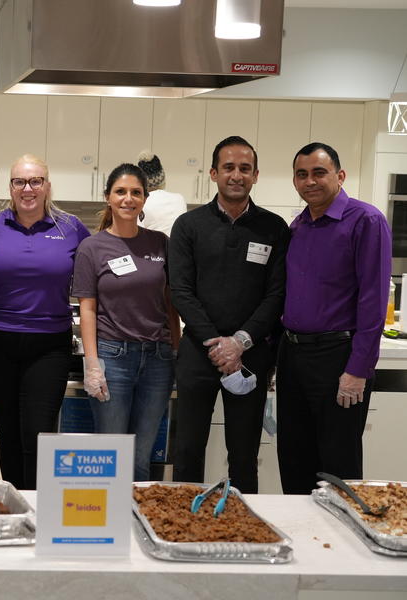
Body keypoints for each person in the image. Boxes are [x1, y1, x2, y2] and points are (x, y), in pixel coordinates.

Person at [168, 135, 290, 494]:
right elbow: (181, 292)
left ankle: (244, 525)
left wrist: (239, 342)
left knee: (243, 453)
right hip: (197, 352)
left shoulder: (274, 228)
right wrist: (216, 342)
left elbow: (277, 293)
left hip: (251, 355)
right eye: (228, 168)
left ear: (255, 175)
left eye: (244, 168)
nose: (236, 175)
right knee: (188, 449)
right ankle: (181, 524)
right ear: (213, 173)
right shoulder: (188, 227)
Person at [276, 142, 392, 495]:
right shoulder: (298, 227)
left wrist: (358, 370)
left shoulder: (366, 221)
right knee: (294, 459)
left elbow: (374, 301)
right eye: (302, 174)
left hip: (338, 358)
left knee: (337, 464)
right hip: (293, 356)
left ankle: (343, 547)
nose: (310, 181)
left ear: (340, 176)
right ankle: (305, 543)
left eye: (319, 172)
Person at [0, 154, 90, 490]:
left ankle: (38, 506)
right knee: (7, 431)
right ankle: (14, 505)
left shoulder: (70, 228)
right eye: (19, 182)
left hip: (49, 344)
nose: (28, 188)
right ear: (10, 187)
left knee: (38, 434)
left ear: (47, 186)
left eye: (35, 181)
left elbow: (94, 277)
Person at [72, 163, 178, 482]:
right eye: (121, 192)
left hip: (158, 360)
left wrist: (177, 349)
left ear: (145, 199)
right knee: (111, 453)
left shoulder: (161, 243)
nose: (128, 198)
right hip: (112, 357)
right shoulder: (92, 248)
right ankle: (108, 525)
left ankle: (137, 529)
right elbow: (87, 309)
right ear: (108, 197)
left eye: (136, 192)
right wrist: (93, 364)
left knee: (141, 457)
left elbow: (170, 302)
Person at [136, 151, 187, 237]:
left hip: (152, 249)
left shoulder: (140, 203)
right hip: (177, 249)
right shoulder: (179, 199)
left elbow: (135, 236)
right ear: (163, 179)